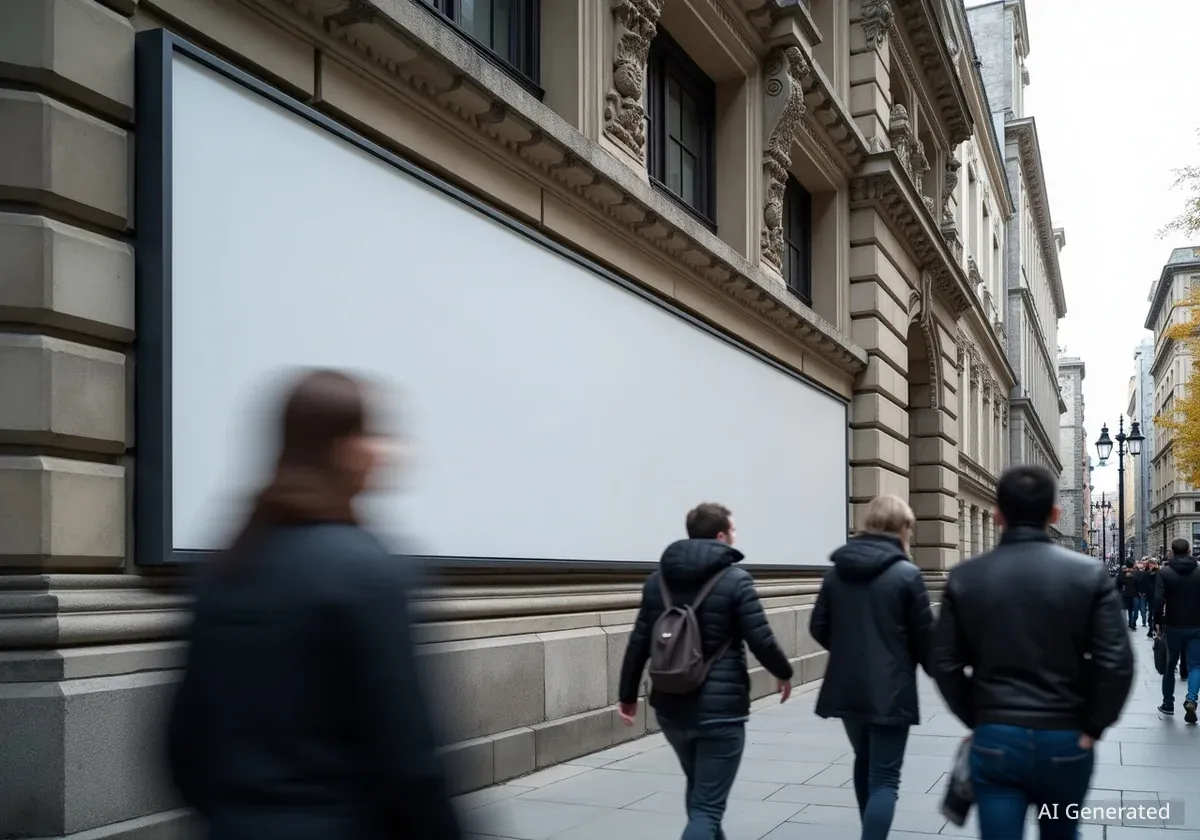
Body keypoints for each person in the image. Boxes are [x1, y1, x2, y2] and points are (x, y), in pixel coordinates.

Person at [167, 370, 461, 840]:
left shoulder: (228, 565)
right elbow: (410, 761)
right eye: (371, 432)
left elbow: (182, 743)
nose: (382, 450)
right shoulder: (366, 570)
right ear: (343, 448)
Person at [931, 465, 1133, 840]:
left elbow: (943, 663)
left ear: (997, 513)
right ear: (1055, 514)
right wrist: (1093, 726)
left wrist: (977, 717)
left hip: (996, 736)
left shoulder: (965, 577)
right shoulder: (1089, 574)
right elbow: (1116, 662)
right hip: (1066, 736)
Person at [617, 502, 794, 840]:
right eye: (734, 530)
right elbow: (762, 638)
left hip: (671, 709)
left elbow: (638, 642)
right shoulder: (736, 580)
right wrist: (783, 673)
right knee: (708, 808)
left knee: (700, 793)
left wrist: (627, 697)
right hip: (720, 713)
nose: (736, 536)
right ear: (720, 535)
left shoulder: (657, 582)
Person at [810, 495, 933, 840]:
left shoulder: (837, 573)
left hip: (848, 687)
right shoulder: (907, 574)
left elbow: (818, 627)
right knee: (885, 778)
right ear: (901, 528)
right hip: (891, 690)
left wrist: (849, 652)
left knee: (864, 762)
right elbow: (926, 639)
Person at [1154, 539, 1200, 722]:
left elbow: (1158, 602)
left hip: (1173, 624)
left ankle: (1168, 703)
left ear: (1171, 552)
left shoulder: (1165, 573)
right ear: (1189, 550)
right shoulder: (1199, 572)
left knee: (1170, 665)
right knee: (1195, 665)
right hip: (1197, 625)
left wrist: (1157, 623)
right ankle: (1191, 699)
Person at [1117, 565, 1140, 630]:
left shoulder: (1124, 579)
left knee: (1129, 610)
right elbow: (1138, 586)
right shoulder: (1134, 578)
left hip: (1128, 596)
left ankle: (1131, 622)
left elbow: (1119, 581)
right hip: (1134, 595)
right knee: (1133, 610)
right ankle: (1132, 622)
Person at [1140, 559, 1159, 637]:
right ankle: (1152, 626)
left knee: (1151, 611)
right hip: (1154, 594)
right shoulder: (1158, 573)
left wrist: (1143, 592)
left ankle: (1151, 626)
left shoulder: (1146, 573)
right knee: (1152, 611)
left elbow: (1142, 583)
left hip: (1151, 594)